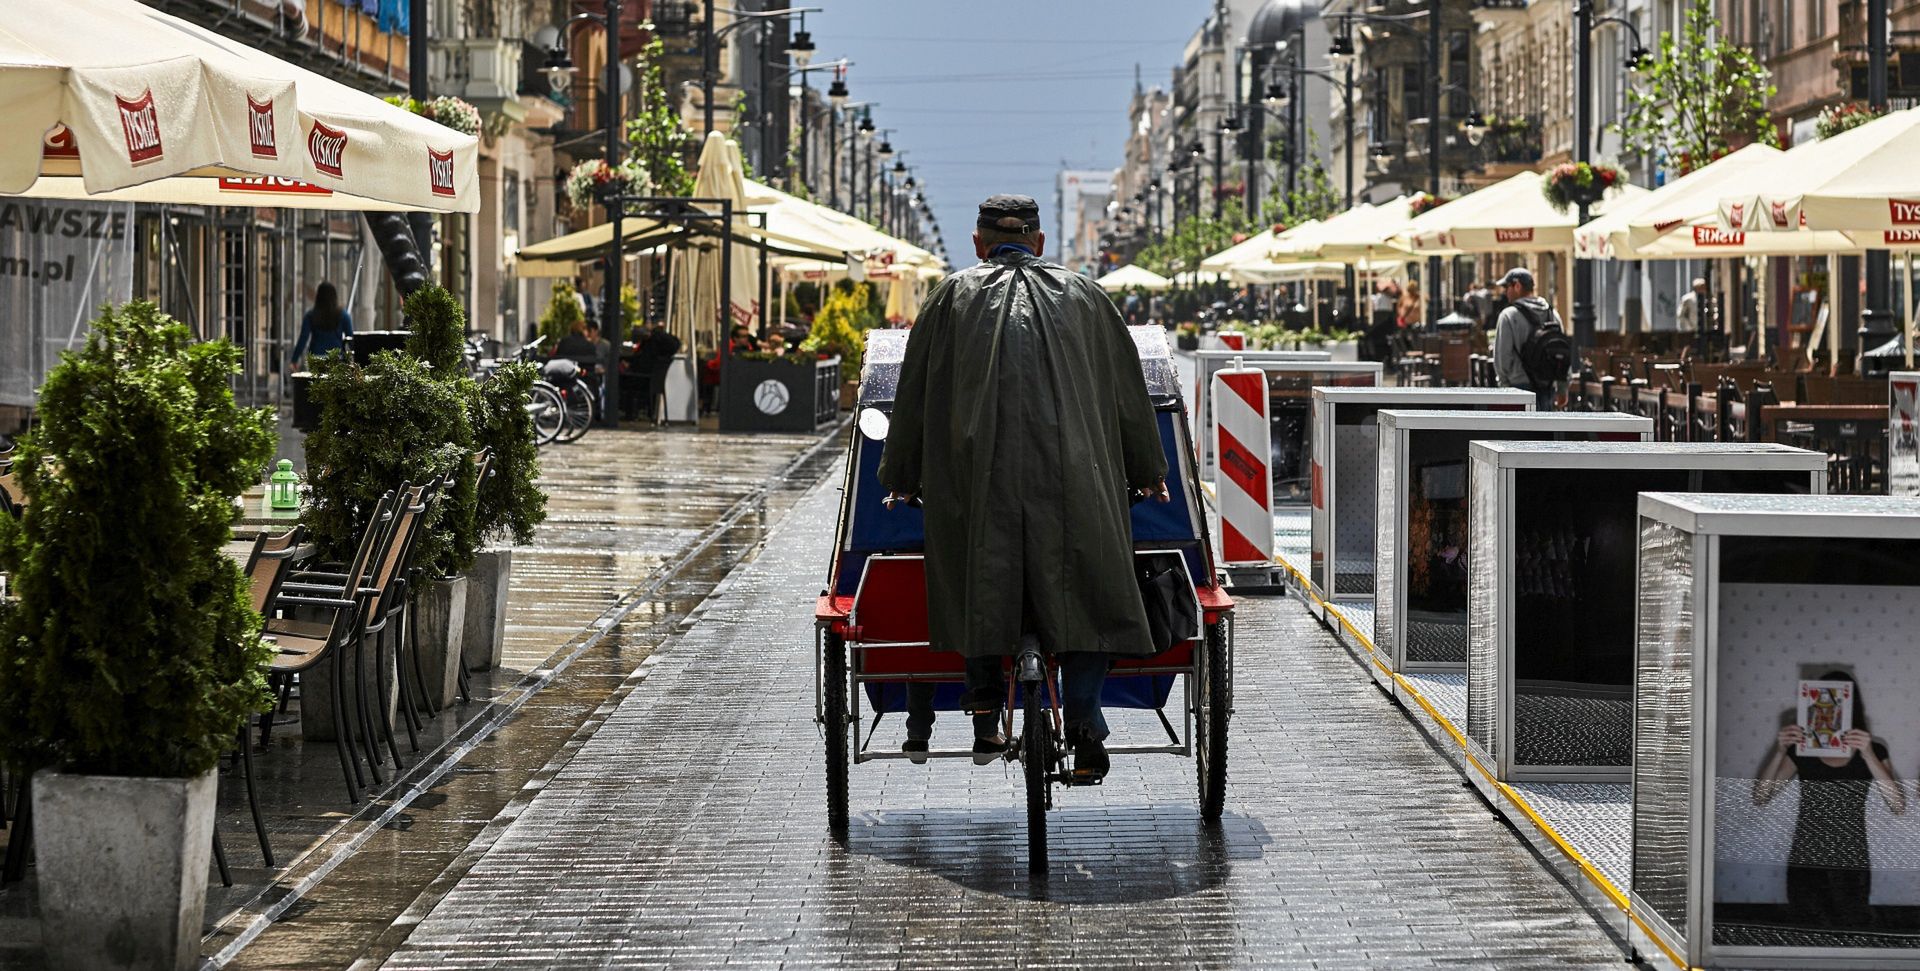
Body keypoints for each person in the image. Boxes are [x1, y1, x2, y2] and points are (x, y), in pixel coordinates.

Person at [879, 194, 1168, 780]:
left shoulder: (950, 298)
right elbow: (1129, 397)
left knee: (974, 576)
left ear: (978, 244)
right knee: (1089, 586)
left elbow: (913, 399)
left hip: (975, 485)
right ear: (1039, 242)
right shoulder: (1087, 296)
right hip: (1078, 487)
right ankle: (1084, 719)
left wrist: (902, 477)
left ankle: (985, 705)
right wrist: (1148, 473)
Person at [1753, 671, 1905, 930]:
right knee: (1807, 929)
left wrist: (1868, 754)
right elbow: (1761, 797)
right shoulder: (1802, 750)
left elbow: (1898, 806)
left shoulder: (1874, 750)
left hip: (1851, 858)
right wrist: (1779, 751)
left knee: (1850, 928)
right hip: (1807, 856)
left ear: (1850, 705)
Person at [1493, 267, 1561, 408]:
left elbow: (1502, 358)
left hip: (1518, 387)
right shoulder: (1552, 313)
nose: (1505, 292)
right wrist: (1563, 387)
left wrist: (1504, 386)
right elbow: (1562, 350)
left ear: (1517, 286)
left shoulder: (1508, 316)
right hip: (1548, 386)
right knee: (1545, 423)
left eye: (1507, 287)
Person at [291, 281, 354, 365]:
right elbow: (351, 339)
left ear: (318, 297)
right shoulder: (343, 315)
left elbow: (303, 339)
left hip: (316, 357)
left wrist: (294, 360)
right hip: (336, 357)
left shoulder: (310, 316)